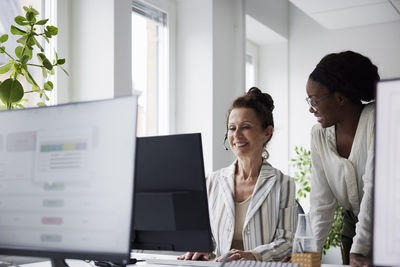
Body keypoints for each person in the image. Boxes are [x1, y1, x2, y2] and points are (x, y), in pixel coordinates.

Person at [178, 87, 297, 262]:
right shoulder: (212, 181)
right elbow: (208, 239)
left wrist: (253, 255)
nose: (236, 135)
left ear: (267, 132)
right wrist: (201, 250)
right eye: (232, 128)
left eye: (245, 127)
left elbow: (287, 241)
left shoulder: (283, 184)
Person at [306, 51, 379, 267]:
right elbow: (321, 203)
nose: (310, 108)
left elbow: (374, 188)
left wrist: (360, 249)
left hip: (390, 230)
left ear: (340, 98)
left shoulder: (378, 118)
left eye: (315, 100)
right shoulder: (318, 135)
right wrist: (309, 255)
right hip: (353, 228)